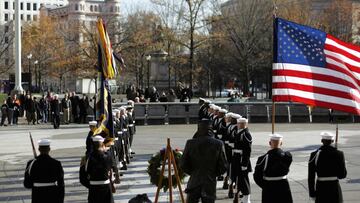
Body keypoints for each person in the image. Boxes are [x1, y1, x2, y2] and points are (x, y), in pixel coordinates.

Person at [181, 119, 228, 203]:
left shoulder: (190, 143)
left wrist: (194, 173)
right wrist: (213, 173)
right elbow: (224, 166)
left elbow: (183, 164)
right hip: (210, 182)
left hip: (194, 182)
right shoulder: (218, 144)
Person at [308, 132, 347, 203]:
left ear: (322, 141)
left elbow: (311, 176)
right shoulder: (339, 154)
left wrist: (312, 193)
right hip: (334, 188)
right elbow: (342, 175)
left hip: (321, 189)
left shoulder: (314, 154)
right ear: (332, 141)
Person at [254, 134, 293, 203]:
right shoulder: (287, 156)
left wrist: (265, 186)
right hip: (284, 186)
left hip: (269, 187)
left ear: (269, 143)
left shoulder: (263, 158)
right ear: (281, 143)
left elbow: (257, 176)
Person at [24, 139, 65, 203]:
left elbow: (27, 184)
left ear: (39, 149)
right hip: (52, 195)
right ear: (49, 149)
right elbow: (61, 184)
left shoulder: (31, 163)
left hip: (37, 195)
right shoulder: (56, 163)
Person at [86, 135, 114, 203]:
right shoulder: (108, 156)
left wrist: (90, 184)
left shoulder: (88, 157)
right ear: (102, 144)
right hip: (106, 186)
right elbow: (110, 168)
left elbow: (84, 174)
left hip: (93, 187)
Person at [231, 118, 252, 203]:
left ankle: (247, 199)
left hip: (241, 159)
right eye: (238, 123)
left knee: (244, 180)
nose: (238, 125)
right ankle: (243, 198)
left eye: (240, 123)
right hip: (236, 158)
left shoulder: (246, 134)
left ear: (244, 124)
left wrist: (244, 164)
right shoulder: (240, 132)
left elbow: (247, 150)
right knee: (238, 179)